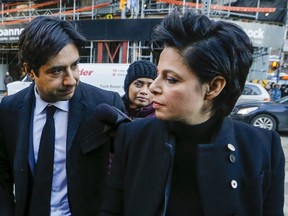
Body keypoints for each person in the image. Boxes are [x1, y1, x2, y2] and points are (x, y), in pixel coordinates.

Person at [100, 11, 285, 216]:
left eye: (171, 79)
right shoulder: (133, 137)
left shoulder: (262, 146)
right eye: (157, 75)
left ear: (213, 87)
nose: (153, 87)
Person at [0, 16, 124, 216]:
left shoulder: (105, 104)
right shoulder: (9, 109)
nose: (71, 80)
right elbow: (2, 174)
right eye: (56, 71)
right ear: (29, 71)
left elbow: (126, 172)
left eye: (74, 65)